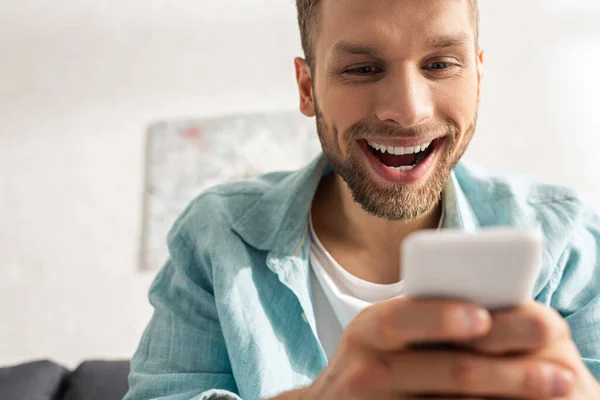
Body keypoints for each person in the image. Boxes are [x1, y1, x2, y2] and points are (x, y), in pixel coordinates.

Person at [124, 0, 600, 399]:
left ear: (477, 76)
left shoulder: (566, 239)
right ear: (309, 88)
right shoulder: (216, 237)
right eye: (362, 68)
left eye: (440, 64)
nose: (408, 110)